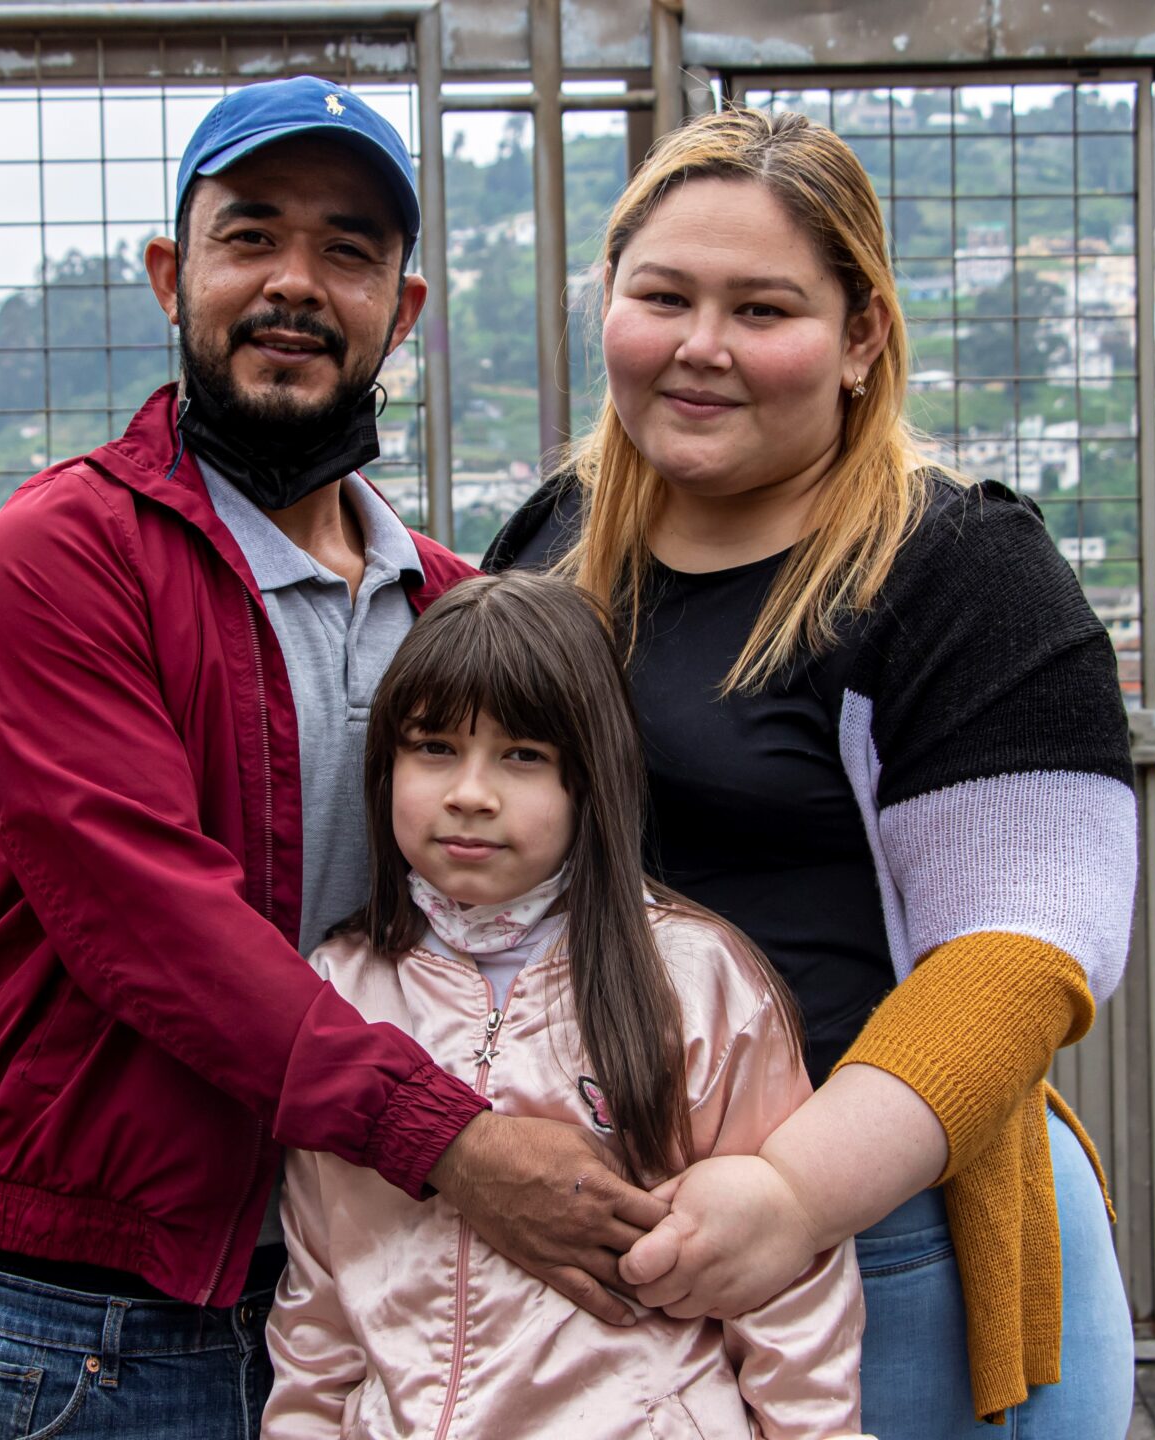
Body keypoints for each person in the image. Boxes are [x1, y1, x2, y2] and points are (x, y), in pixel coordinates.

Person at [0, 76, 664, 1440]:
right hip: (87, 1322)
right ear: (168, 275)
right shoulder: (64, 556)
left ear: (404, 311)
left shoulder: (448, 603)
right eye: (250, 236)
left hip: (372, 1284)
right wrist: (462, 1145)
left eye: (348, 251)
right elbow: (156, 928)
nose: (294, 283)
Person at [487, 107, 1140, 1436]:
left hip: (886, 1242)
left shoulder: (961, 573)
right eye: (661, 295)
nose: (700, 347)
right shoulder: (553, 544)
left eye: (763, 308)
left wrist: (792, 1196)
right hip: (617, 1244)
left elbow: (1022, 951)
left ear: (861, 338)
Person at [262, 573, 864, 1440]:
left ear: (592, 780)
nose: (471, 791)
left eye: (523, 756)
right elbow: (320, 1288)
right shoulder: (339, 993)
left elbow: (788, 1284)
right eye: (433, 747)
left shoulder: (696, 982)